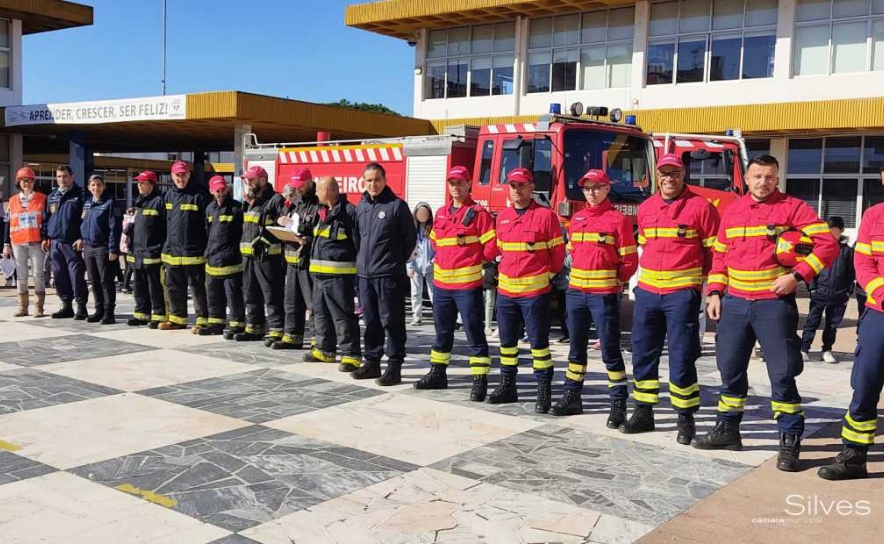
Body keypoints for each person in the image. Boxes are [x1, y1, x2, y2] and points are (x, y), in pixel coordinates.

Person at [698, 154, 838, 472]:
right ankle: (728, 430)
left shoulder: (793, 208)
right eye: (757, 176)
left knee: (783, 374)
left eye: (770, 177)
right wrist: (715, 292)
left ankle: (789, 440)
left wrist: (797, 276)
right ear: (747, 179)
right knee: (730, 370)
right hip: (734, 305)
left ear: (777, 179)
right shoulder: (731, 212)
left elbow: (827, 245)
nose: (763, 182)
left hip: (772, 306)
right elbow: (720, 257)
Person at [621, 154, 720, 445]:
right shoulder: (647, 207)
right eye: (664, 173)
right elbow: (643, 250)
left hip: (681, 295)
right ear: (657, 174)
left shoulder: (701, 207)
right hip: (649, 294)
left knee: (682, 357)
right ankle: (643, 411)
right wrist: (637, 288)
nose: (669, 178)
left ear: (683, 173)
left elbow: (714, 255)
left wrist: (706, 288)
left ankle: (685, 418)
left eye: (674, 173)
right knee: (643, 353)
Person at [551, 169, 638, 421]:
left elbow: (629, 261)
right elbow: (572, 254)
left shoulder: (617, 220)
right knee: (576, 349)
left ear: (607, 189)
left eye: (596, 187)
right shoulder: (577, 220)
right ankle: (572, 396)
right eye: (587, 188)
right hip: (576, 294)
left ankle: (618, 404)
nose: (591, 193)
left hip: (603, 295)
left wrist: (614, 281)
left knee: (609, 350)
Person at [818, 167, 884, 480]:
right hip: (879, 314)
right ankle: (854, 457)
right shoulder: (873, 216)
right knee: (865, 384)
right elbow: (864, 263)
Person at [412, 166, 496, 400]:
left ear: (469, 184)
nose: (455, 187)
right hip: (441, 286)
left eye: (460, 183)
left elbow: (491, 246)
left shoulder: (479, 213)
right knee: (442, 332)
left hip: (467, 287)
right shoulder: (440, 213)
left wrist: (471, 259)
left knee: (474, 332)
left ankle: (480, 380)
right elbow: (436, 241)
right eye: (452, 183)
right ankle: (438, 373)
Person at [488, 167, 565, 413]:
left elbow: (558, 254)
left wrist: (547, 277)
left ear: (532, 187)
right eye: (512, 186)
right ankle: (507, 386)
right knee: (507, 344)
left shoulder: (546, 216)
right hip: (507, 294)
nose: (516, 190)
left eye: (521, 185)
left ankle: (543, 393)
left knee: (539, 346)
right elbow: (499, 250)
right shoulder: (502, 217)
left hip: (534, 294)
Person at [352, 162, 417, 385]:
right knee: (370, 321)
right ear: (364, 181)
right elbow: (357, 239)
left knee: (392, 321)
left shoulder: (396, 206)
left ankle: (394, 366)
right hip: (365, 276)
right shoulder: (361, 207)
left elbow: (409, 240)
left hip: (388, 276)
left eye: (377, 179)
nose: (373, 184)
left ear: (385, 180)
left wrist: (394, 262)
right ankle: (372, 362)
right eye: (369, 180)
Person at [306, 176, 362, 371]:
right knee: (320, 315)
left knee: (343, 316)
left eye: (318, 190)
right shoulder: (322, 212)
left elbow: (358, 244)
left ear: (327, 191)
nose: (315, 193)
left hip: (340, 277)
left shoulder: (348, 213)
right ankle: (324, 350)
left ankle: (351, 355)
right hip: (319, 276)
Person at [237, 165, 287, 343]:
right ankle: (253, 327)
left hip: (268, 258)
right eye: (247, 180)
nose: (248, 183)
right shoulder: (250, 201)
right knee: (250, 294)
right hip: (248, 257)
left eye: (251, 180)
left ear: (263, 181)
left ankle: (276, 329)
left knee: (271, 294)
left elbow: (283, 224)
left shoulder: (275, 199)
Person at [273, 168, 320, 350]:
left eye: (301, 185)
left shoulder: (318, 202)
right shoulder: (296, 201)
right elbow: (287, 218)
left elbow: (318, 229)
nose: (298, 189)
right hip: (292, 259)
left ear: (309, 181)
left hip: (309, 260)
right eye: (295, 186)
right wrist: (282, 222)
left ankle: (317, 340)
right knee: (291, 301)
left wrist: (306, 237)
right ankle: (292, 336)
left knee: (313, 304)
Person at [160, 161, 209, 332]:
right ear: (172, 176)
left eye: (183, 175)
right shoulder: (167, 197)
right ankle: (177, 319)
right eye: (177, 175)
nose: (180, 178)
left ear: (189, 175)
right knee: (174, 287)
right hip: (172, 253)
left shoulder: (199, 196)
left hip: (193, 253)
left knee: (197, 288)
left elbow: (207, 225)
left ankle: (202, 319)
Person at [800, 216, 854, 364]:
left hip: (839, 295)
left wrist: (848, 292)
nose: (831, 234)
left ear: (841, 230)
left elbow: (852, 274)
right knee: (812, 321)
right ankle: (804, 349)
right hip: (820, 293)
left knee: (832, 325)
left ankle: (827, 350)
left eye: (834, 231)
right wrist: (812, 289)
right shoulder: (819, 248)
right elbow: (811, 270)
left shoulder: (848, 252)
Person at [202, 175, 244, 337]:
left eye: (223, 189)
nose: (221, 193)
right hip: (212, 260)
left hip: (231, 261)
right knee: (213, 295)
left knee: (233, 295)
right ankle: (215, 323)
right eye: (217, 190)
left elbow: (240, 233)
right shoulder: (209, 209)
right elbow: (208, 231)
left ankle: (237, 324)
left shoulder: (236, 208)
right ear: (211, 191)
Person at [44, 165, 88, 319]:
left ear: (72, 177)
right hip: (55, 242)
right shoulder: (52, 196)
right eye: (59, 177)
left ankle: (81, 307)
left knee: (76, 275)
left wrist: (82, 237)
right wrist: (45, 237)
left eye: (65, 176)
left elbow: (86, 219)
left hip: (72, 242)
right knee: (59, 275)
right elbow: (46, 218)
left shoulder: (81, 195)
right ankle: (66, 305)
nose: (62, 179)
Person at [3, 167, 48, 317]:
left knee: (38, 274)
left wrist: (46, 238)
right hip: (17, 242)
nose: (27, 183)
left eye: (29, 180)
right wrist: (6, 244)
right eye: (24, 181)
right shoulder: (12, 200)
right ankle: (22, 307)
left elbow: (47, 221)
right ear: (19, 183)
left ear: (34, 182)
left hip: (36, 242)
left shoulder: (42, 198)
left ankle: (38, 307)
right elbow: (7, 223)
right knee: (21, 276)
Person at [126, 171, 167, 328]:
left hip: (153, 252)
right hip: (138, 252)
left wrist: (161, 248)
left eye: (143, 183)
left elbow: (165, 228)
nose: (139, 185)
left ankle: (158, 314)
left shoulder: (159, 201)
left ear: (152, 184)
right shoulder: (139, 202)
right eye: (138, 183)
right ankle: (141, 314)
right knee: (139, 285)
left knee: (155, 286)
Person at [80, 175, 121, 324]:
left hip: (103, 248)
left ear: (104, 186)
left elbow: (114, 228)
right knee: (94, 281)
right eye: (93, 185)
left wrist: (113, 249)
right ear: (88, 187)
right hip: (89, 247)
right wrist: (81, 239)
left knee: (106, 281)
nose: (95, 188)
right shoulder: (87, 203)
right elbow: (83, 223)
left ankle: (109, 312)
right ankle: (99, 310)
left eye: (98, 185)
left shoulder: (110, 203)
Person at [408, 202, 435, 326]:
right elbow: (408, 249)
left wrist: (434, 261)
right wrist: (409, 266)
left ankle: (438, 315)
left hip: (431, 267)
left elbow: (439, 247)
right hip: (416, 267)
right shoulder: (412, 229)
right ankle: (417, 316)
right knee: (415, 293)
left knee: (434, 293)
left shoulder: (433, 229)